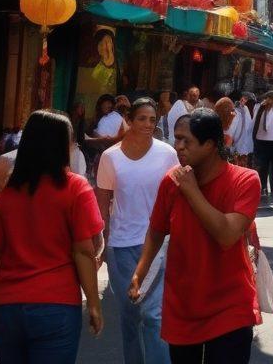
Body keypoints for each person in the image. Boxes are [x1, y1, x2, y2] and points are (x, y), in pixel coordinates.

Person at [0, 110, 103, 362]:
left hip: (5, 308)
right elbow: (84, 250)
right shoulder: (76, 188)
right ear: (63, 145)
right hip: (56, 307)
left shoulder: (9, 194)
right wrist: (93, 304)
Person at [129, 109, 261, 364]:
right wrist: (140, 272)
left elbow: (226, 235)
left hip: (229, 306)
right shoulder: (171, 182)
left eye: (185, 141)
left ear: (210, 144)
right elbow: (157, 230)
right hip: (183, 305)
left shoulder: (245, 180)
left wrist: (192, 191)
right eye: (176, 139)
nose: (177, 147)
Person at [97, 97, 177, 364]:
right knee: (129, 316)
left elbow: (177, 195)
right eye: (141, 118)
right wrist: (102, 241)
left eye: (152, 120)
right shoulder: (110, 157)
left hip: (156, 244)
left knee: (153, 315)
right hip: (120, 246)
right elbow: (103, 200)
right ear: (128, 120)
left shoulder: (167, 154)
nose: (147, 124)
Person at [229, 92, 253, 167]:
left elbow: (249, 124)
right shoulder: (234, 110)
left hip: (244, 140)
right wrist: (231, 138)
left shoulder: (245, 109)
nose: (245, 101)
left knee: (242, 162)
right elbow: (232, 125)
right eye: (244, 98)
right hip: (235, 140)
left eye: (246, 99)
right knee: (234, 163)